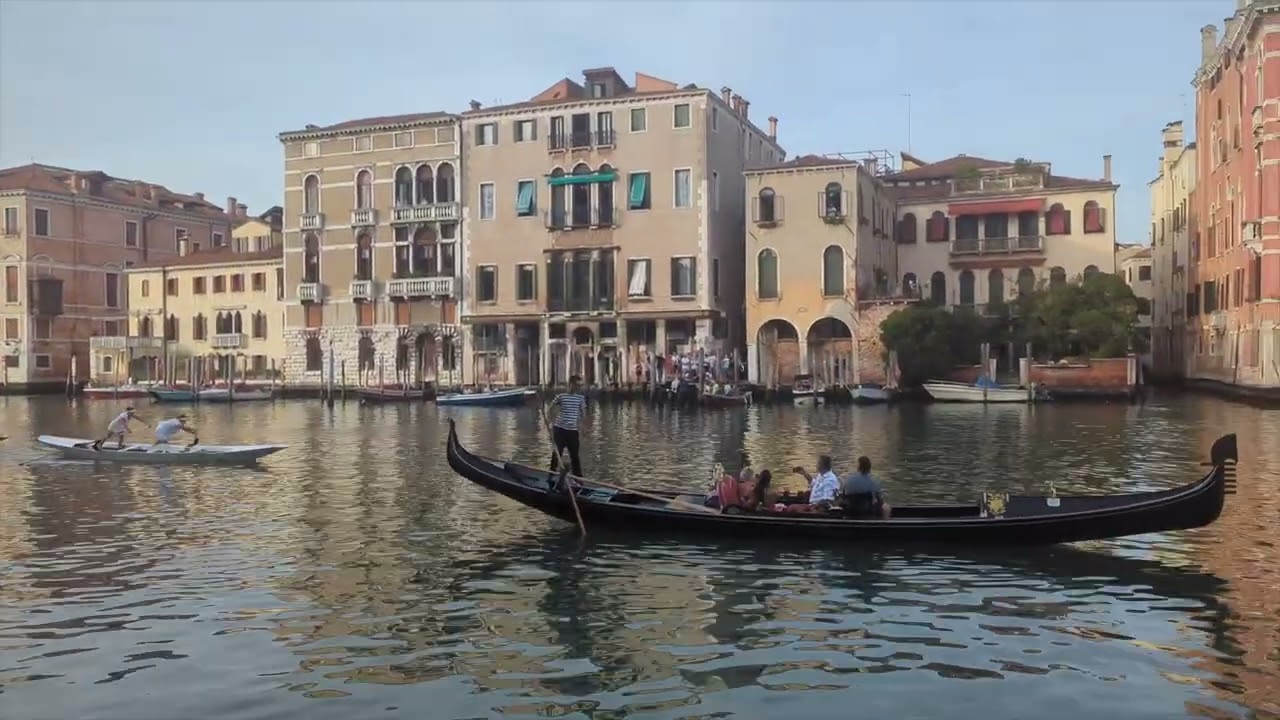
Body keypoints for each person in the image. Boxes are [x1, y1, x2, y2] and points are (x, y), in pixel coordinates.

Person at [547, 375, 587, 477]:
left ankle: (578, 479)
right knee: (557, 454)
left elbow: (584, 414)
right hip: (559, 430)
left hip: (572, 431)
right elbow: (550, 409)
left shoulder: (580, 398)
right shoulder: (561, 396)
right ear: (571, 384)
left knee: (574, 456)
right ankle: (551, 476)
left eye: (580, 385)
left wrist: (583, 429)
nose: (579, 387)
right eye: (577, 385)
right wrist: (550, 423)